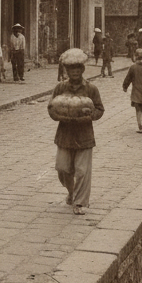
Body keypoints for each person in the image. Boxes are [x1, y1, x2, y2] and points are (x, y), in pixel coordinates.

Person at [49, 48, 104, 215]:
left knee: (82, 171)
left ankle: (80, 203)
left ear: (82, 70)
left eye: (77, 69)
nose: (74, 72)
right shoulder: (60, 88)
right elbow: (51, 108)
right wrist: (59, 115)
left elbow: (100, 109)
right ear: (67, 71)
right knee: (62, 168)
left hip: (84, 135)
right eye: (71, 69)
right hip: (65, 134)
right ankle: (71, 192)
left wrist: (89, 116)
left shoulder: (91, 89)